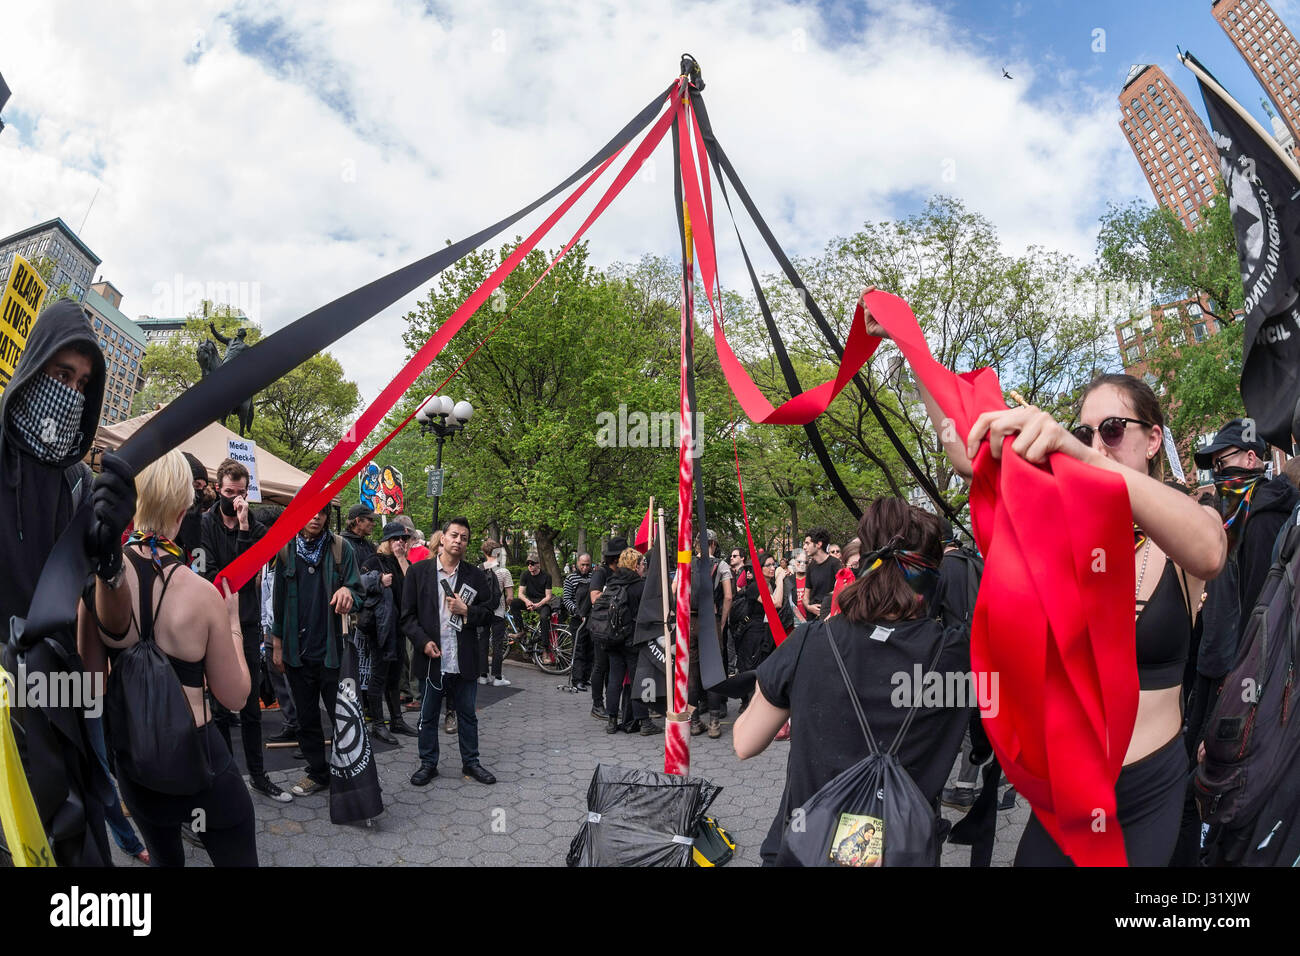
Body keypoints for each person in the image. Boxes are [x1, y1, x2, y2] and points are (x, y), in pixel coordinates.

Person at [865, 295, 1227, 866]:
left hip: (1149, 788)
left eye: (1111, 430)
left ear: (1153, 439)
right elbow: (967, 451)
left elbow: (1209, 551)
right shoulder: (1067, 517)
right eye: (1084, 433)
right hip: (1068, 792)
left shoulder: (1184, 516)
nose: (1094, 444)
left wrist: (1081, 456)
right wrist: (909, 348)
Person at [734, 497, 971, 867]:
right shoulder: (959, 655)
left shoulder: (810, 643)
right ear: (933, 576)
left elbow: (745, 743)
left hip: (803, 849)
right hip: (905, 853)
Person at [0, 299, 135, 866]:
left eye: (84, 383)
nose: (71, 392)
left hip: (56, 717)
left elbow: (117, 629)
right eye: (60, 374)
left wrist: (108, 560)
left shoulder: (82, 487)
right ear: (32, 369)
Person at [79, 449, 258, 866]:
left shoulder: (95, 584)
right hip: (200, 765)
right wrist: (232, 623)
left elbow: (91, 690)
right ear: (182, 510)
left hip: (135, 762)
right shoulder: (201, 594)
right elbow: (235, 697)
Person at [198, 458, 289, 801]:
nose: (235, 498)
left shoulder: (253, 523)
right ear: (218, 489)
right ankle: (225, 778)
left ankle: (259, 775)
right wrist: (238, 537)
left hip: (247, 622)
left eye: (240, 492)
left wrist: (244, 526)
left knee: (250, 705)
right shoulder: (205, 523)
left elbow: (254, 567)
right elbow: (218, 575)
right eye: (228, 491)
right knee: (220, 706)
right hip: (215, 621)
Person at [269, 502, 364, 797]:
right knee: (307, 717)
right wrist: (277, 644)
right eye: (312, 510)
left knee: (343, 717)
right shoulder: (285, 550)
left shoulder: (340, 549)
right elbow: (278, 600)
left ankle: (348, 770)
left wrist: (348, 591)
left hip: (332, 651)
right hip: (297, 652)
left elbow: (358, 591)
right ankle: (318, 772)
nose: (316, 516)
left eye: (322, 512)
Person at [403, 517, 497, 786]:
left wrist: (467, 611)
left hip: (463, 658)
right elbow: (407, 617)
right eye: (454, 535)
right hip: (432, 658)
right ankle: (428, 763)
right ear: (442, 538)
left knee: (467, 715)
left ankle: (472, 762)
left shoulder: (475, 576)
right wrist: (422, 642)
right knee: (428, 714)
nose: (458, 540)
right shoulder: (418, 572)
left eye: (464, 538)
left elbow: (490, 614)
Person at [359, 521, 418, 743]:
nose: (400, 543)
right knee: (378, 676)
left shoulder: (401, 562)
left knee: (395, 675)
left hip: (399, 628)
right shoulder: (374, 561)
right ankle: (377, 724)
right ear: (386, 541)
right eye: (396, 539)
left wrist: (402, 558)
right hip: (379, 629)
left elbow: (412, 587)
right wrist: (378, 580)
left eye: (403, 539)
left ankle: (397, 720)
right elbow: (358, 583)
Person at [686, 530, 732, 739]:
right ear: (713, 543)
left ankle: (694, 722)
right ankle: (714, 723)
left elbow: (675, 587)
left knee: (692, 673)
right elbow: (729, 597)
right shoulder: (721, 565)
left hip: (690, 621)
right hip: (710, 620)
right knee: (713, 672)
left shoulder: (686, 562)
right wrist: (721, 622)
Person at [599, 548, 648, 734]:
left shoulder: (612, 582)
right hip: (632, 639)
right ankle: (644, 722)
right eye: (642, 564)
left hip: (612, 638)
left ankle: (612, 721)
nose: (644, 567)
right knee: (637, 681)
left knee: (614, 680)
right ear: (636, 566)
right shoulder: (639, 585)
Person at [588, 538, 626, 720]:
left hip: (615, 629)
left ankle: (611, 705)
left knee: (612, 668)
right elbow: (594, 598)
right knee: (600, 666)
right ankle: (597, 704)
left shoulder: (619, 574)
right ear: (616, 558)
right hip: (601, 628)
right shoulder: (601, 573)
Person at [479, 540, 514, 686]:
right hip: (498, 612)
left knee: (482, 642)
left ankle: (482, 676)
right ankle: (497, 678)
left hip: (482, 612)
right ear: (497, 553)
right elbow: (510, 596)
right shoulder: (504, 571)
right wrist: (506, 605)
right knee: (498, 644)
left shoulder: (479, 569)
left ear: (485, 553)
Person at [510, 552, 554, 655]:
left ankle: (545, 649)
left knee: (544, 618)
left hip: (542, 602)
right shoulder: (525, 574)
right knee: (514, 603)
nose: (530, 566)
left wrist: (538, 604)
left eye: (532, 563)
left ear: (538, 564)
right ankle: (521, 631)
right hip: (529, 601)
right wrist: (527, 601)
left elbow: (548, 596)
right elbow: (520, 593)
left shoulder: (547, 576)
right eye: (528, 563)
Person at [563, 553, 593, 690]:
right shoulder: (570, 578)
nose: (585, 567)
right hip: (577, 619)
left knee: (590, 649)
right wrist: (577, 611)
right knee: (579, 649)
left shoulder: (594, 577)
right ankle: (577, 679)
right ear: (577, 564)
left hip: (591, 618)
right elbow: (567, 599)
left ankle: (586, 677)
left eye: (587, 565)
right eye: (583, 565)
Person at [801, 527, 842, 621]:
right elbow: (806, 595)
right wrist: (808, 607)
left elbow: (842, 591)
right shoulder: (811, 566)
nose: (804, 547)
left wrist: (829, 611)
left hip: (830, 618)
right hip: (813, 619)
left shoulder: (835, 564)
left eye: (807, 543)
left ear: (818, 544)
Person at [177, 452, 210, 560]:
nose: (200, 492)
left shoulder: (199, 525)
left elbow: (200, 566)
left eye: (203, 488)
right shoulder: (157, 528)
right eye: (196, 485)